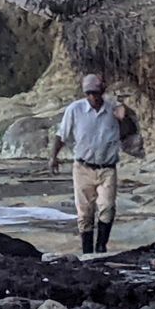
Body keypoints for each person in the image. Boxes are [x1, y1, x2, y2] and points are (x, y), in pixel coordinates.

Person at [50, 73, 127, 255]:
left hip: (107, 167)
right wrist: (53, 157)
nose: (93, 97)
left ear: (102, 91)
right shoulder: (75, 110)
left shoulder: (113, 109)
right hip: (83, 167)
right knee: (84, 213)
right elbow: (62, 135)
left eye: (96, 93)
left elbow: (128, 131)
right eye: (89, 93)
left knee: (107, 207)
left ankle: (101, 246)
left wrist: (125, 116)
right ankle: (87, 251)